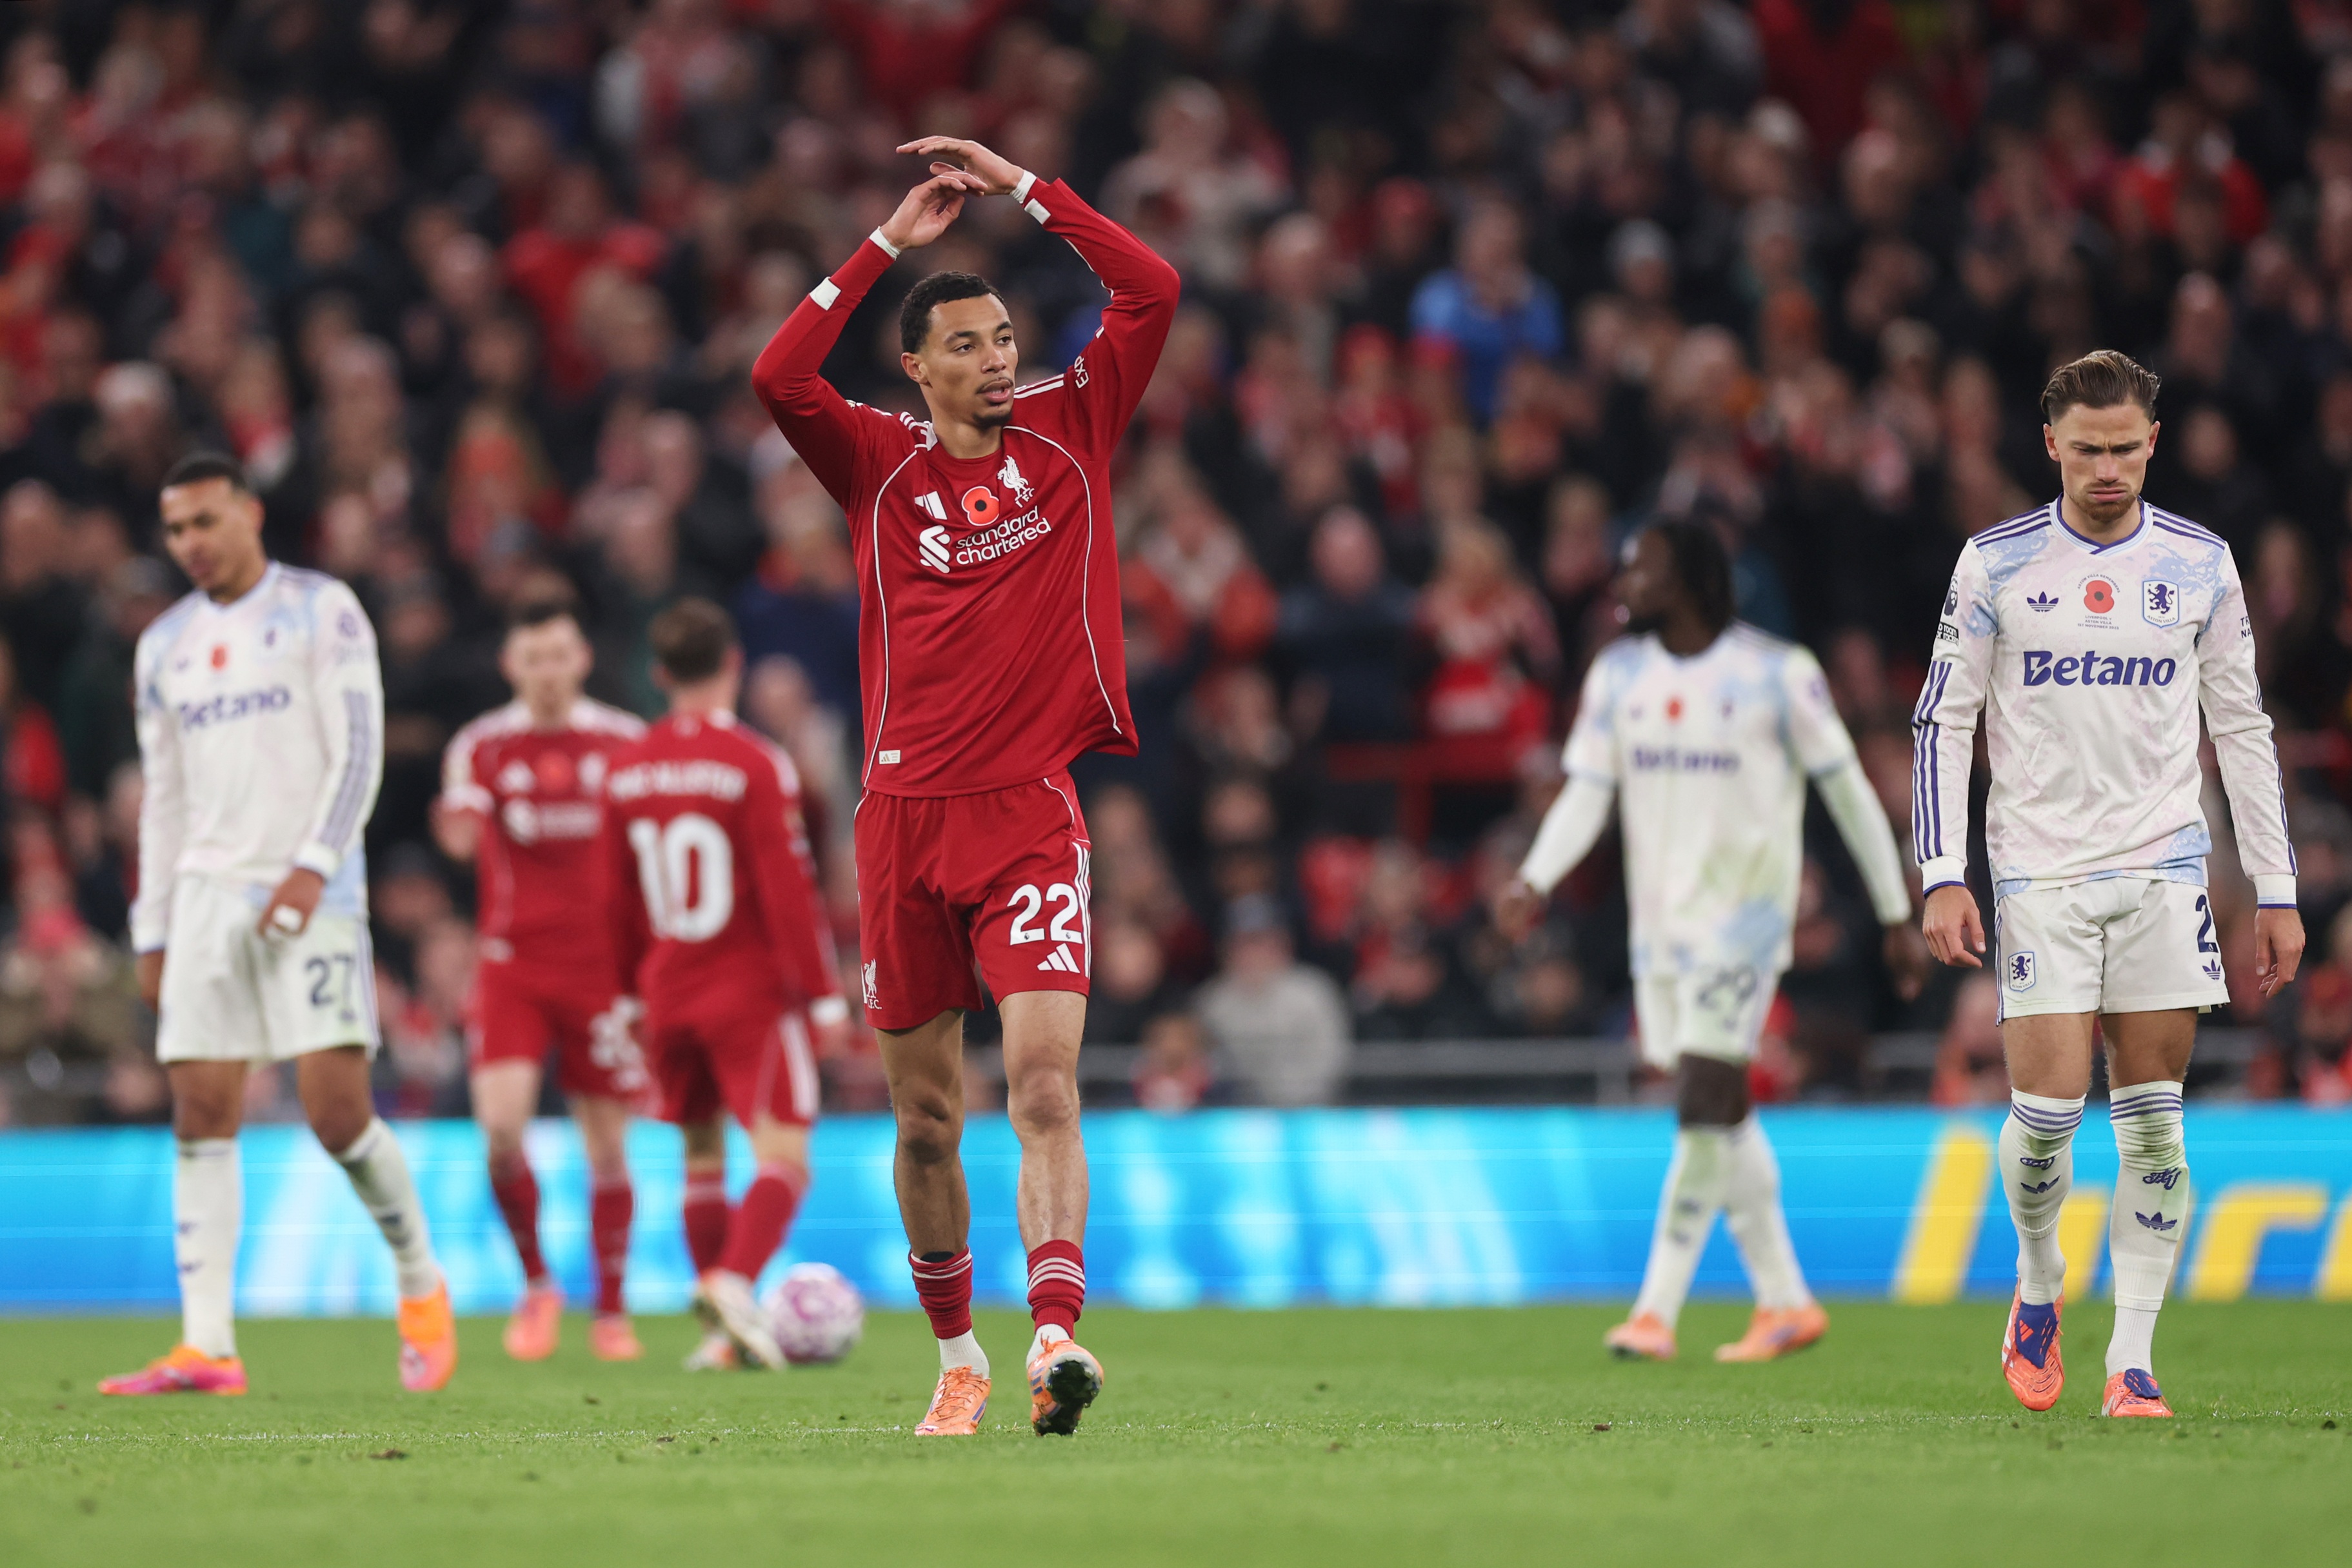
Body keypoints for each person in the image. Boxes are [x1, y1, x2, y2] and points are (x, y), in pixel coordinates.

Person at [750, 134, 1179, 1436]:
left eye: (1005, 338)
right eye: (970, 344)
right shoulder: (875, 464)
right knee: (927, 1121)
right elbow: (776, 373)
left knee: (1043, 1086)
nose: (999, 358)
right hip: (899, 827)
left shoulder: (1072, 429)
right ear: (918, 368)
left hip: (1026, 815)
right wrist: (887, 239)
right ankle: (958, 1357)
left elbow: (1152, 288)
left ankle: (1054, 1338)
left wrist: (1026, 190)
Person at [1915, 350, 2304, 1420]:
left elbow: (2242, 725)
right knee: (2045, 1113)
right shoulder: (1994, 564)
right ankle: (2038, 1283)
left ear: (2152, 444)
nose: (2105, 468)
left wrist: (2274, 885)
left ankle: (2131, 1361)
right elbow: (1942, 721)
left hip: (2163, 864)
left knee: (2154, 1124)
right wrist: (1943, 874)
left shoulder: (2200, 563)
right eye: (2085, 449)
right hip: (2038, 867)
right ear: (2050, 445)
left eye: (2124, 448)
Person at [1495, 519, 1926, 1364]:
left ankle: (1654, 1310)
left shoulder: (1776, 674)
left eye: (1640, 567)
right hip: (1659, 927)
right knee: (1722, 1108)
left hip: (1746, 922)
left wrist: (1893, 912)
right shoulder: (1616, 676)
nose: (1621, 579)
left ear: (1691, 579)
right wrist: (1534, 877)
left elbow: (1846, 794)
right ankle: (1786, 1300)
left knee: (1700, 1091)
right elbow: (1586, 791)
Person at [102, 452, 455, 1396]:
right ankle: (208, 1344)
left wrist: (312, 863)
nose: (192, 545)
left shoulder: (321, 606)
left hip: (314, 887)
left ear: (250, 513)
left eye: (205, 522)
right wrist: (153, 924)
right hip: (207, 896)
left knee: (339, 1116)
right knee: (200, 1111)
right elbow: (163, 797)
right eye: (176, 530)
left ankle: (420, 1279)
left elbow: (360, 748)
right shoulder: (162, 645)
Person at [600, 599, 847, 1371]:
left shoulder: (626, 768)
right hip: (745, 990)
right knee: (786, 1155)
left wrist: (628, 995)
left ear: (660, 674)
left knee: (701, 1154)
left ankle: (721, 1337)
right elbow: (788, 888)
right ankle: (734, 1284)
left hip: (666, 988)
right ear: (732, 665)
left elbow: (613, 899)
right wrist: (823, 995)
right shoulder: (753, 761)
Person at [435, 599, 650, 1364]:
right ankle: (537, 1284)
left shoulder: (625, 740)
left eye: (559, 655)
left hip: (600, 970)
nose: (548, 672)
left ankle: (613, 1313)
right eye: (534, 659)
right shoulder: (483, 745)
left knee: (608, 1148)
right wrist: (458, 830)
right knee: (499, 1133)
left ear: (582, 657)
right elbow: (458, 815)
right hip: (513, 965)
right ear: (511, 666)